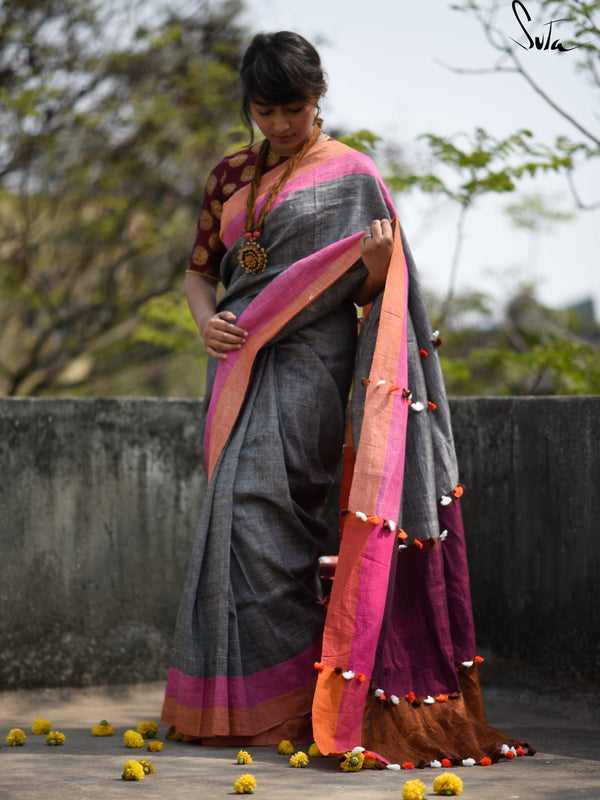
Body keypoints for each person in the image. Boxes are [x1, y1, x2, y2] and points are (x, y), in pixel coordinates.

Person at [161, 30, 534, 767]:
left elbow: (373, 285)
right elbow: (201, 270)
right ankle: (255, 700)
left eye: (293, 109)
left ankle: (310, 697)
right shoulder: (231, 176)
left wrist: (366, 263)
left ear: (318, 97)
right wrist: (208, 325)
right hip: (237, 366)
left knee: (267, 510)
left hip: (310, 361)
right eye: (266, 111)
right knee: (237, 525)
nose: (280, 125)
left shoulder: (353, 175)